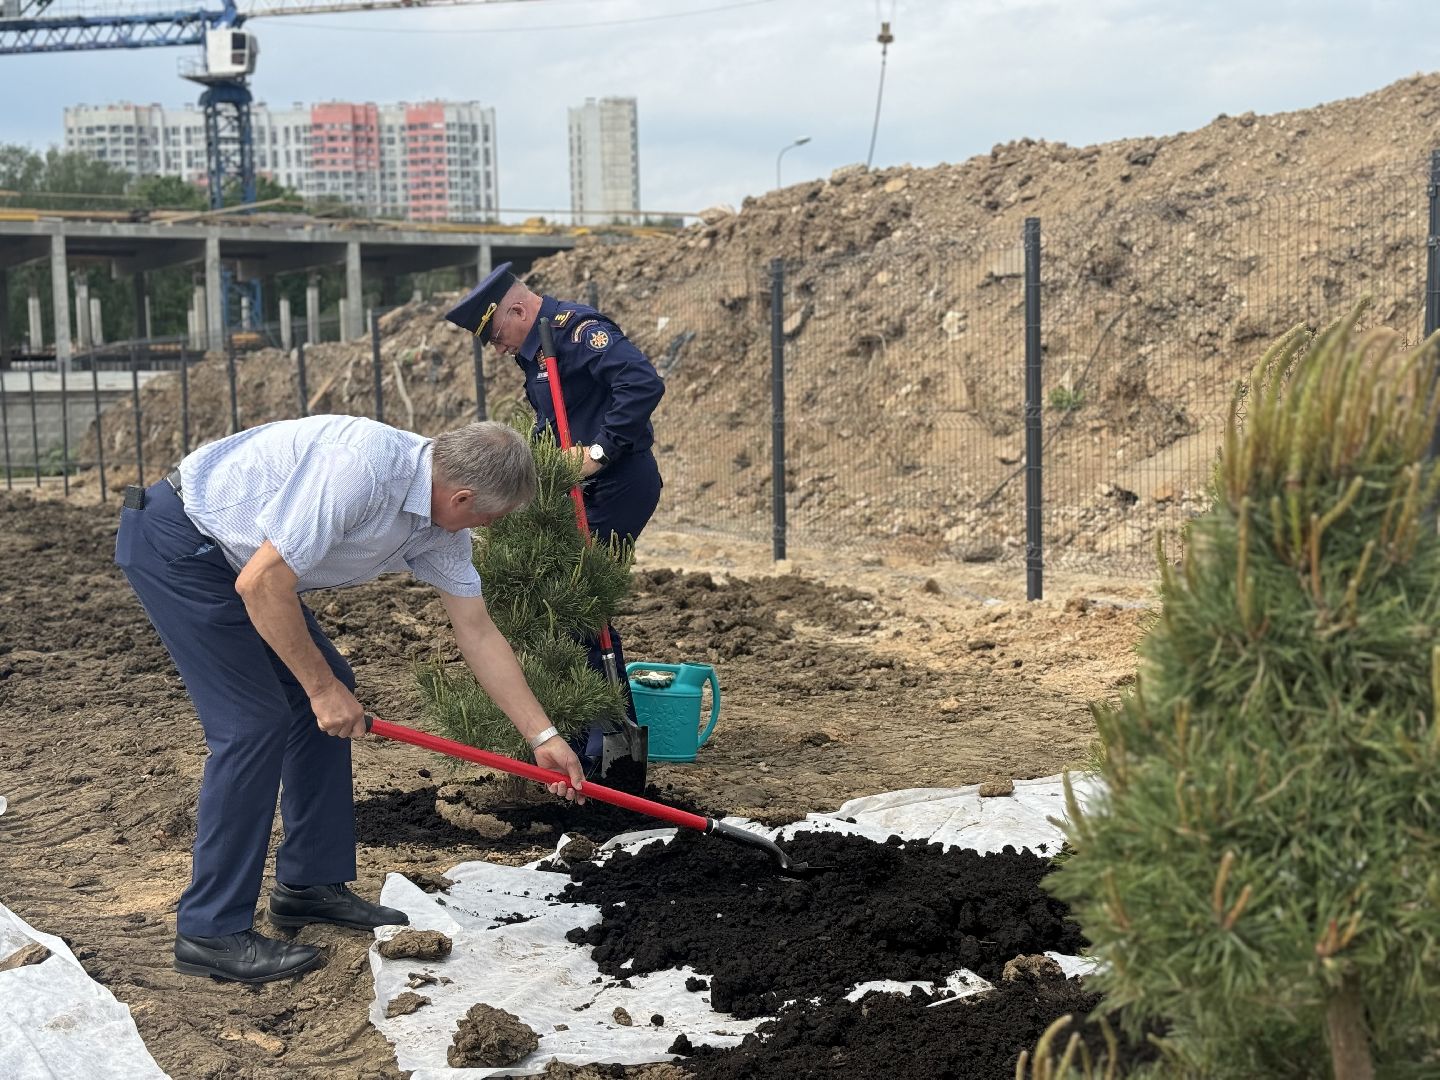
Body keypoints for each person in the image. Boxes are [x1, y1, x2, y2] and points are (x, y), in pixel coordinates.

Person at [114, 416, 586, 985]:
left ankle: (308, 886)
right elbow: (263, 585)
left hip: (244, 565)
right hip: (183, 545)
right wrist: (318, 690)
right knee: (253, 724)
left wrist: (543, 736)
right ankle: (209, 931)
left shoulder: (442, 527)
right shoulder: (360, 469)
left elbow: (478, 632)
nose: (488, 527)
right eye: (490, 515)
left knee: (331, 690)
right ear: (461, 496)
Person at [444, 264, 666, 774]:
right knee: (564, 600)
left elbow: (641, 381)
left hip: (619, 482)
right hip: (582, 489)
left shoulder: (573, 331)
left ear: (519, 310)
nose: (498, 349)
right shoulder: (538, 347)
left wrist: (599, 451)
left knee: (578, 599)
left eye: (497, 335)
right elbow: (553, 420)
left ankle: (607, 728)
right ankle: (580, 719)